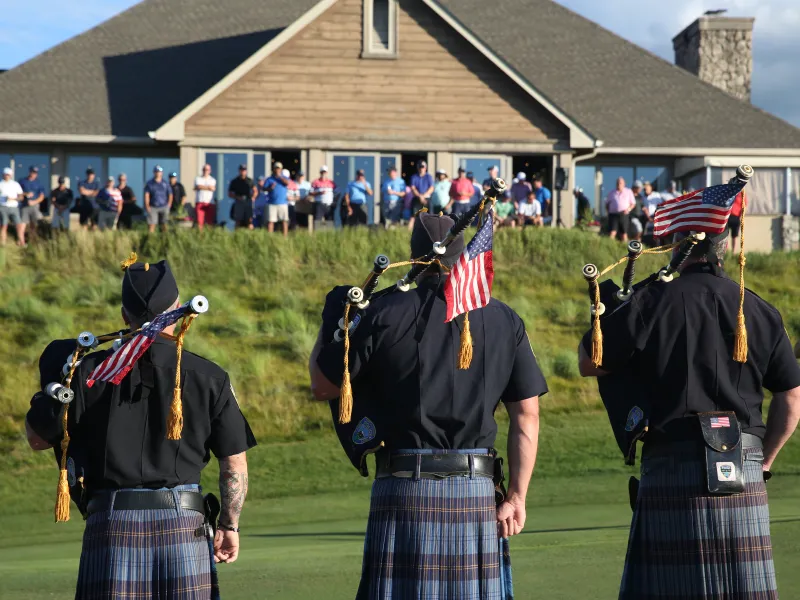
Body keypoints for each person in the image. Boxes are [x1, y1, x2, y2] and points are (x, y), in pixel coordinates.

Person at [310, 213, 546, 599]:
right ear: (462, 251)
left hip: (405, 490)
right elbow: (527, 416)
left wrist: (334, 323)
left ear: (413, 255)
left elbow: (324, 387)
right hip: (477, 493)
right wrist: (517, 497)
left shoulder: (380, 313)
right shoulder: (504, 319)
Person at [578, 229, 800, 600]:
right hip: (745, 468)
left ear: (676, 247)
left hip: (671, 463)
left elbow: (590, 362)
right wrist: (764, 463)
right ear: (725, 250)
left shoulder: (651, 300)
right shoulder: (760, 309)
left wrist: (620, 309)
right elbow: (791, 399)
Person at [25, 258, 258, 598]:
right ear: (179, 309)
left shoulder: (86, 372)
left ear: (124, 315)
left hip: (111, 524)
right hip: (185, 527)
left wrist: (51, 383)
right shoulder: (210, 376)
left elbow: (37, 439)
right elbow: (234, 463)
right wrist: (229, 524)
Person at [19, 165, 45, 244]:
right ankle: (21, 242)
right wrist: (25, 194)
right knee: (22, 224)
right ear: (29, 172)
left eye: (35, 173)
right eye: (33, 172)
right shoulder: (22, 181)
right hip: (24, 206)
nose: (34, 174)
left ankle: (32, 241)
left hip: (34, 206)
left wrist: (34, 202)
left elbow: (42, 196)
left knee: (33, 224)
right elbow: (18, 194)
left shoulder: (39, 183)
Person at [144, 166, 173, 233]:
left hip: (164, 206)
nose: (158, 173)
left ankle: (164, 239)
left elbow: (170, 194)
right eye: (156, 172)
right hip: (153, 206)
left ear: (162, 173)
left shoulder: (165, 183)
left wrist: (169, 205)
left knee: (164, 225)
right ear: (154, 173)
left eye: (159, 172)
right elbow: (147, 195)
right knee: (152, 225)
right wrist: (147, 206)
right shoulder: (150, 184)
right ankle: (150, 239)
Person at [264, 162, 290, 236]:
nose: (277, 170)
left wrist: (280, 177)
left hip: (283, 203)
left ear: (281, 169)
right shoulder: (269, 179)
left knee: (284, 221)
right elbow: (264, 188)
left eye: (279, 168)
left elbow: (287, 183)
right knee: (271, 221)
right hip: (272, 203)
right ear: (274, 169)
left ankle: (285, 237)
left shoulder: (284, 178)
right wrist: (270, 188)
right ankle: (270, 237)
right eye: (276, 168)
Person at [0, 167, 24, 246]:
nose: (7, 176)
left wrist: (13, 198)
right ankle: (3, 244)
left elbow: (21, 197)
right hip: (3, 208)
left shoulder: (15, 184)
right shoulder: (1, 184)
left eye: (8, 174)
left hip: (14, 208)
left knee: (19, 225)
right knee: (3, 226)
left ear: (11, 175)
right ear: (3, 175)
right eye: (5, 174)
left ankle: (21, 242)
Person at [605, 177, 635, 241]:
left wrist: (628, 210)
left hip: (624, 214)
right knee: (612, 232)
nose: (619, 184)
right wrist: (608, 213)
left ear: (624, 184)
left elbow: (633, 203)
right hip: (613, 215)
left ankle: (625, 248)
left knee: (624, 233)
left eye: (620, 183)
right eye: (617, 183)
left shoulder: (628, 191)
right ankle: (609, 247)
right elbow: (607, 204)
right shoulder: (611, 193)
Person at [228, 164, 256, 229]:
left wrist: (253, 197)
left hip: (248, 202)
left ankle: (251, 236)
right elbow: (229, 193)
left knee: (249, 221)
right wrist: (237, 197)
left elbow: (255, 190)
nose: (243, 171)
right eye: (241, 170)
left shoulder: (249, 180)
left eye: (244, 170)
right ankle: (237, 236)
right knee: (238, 221)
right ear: (239, 171)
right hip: (239, 202)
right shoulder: (235, 181)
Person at [409, 161, 434, 230]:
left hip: (427, 198)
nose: (421, 169)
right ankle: (408, 233)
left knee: (430, 217)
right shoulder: (414, 177)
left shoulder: (429, 177)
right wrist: (420, 196)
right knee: (413, 216)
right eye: (420, 167)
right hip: (417, 198)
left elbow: (431, 188)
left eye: (423, 167)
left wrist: (423, 196)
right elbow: (413, 188)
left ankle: (431, 231)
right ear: (418, 168)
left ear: (425, 168)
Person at [193, 164, 218, 230]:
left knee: (209, 222)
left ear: (210, 171)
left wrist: (202, 187)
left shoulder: (212, 180)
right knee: (199, 221)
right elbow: (198, 186)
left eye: (207, 170)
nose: (205, 171)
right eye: (204, 169)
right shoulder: (198, 178)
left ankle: (208, 236)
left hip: (209, 203)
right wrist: (208, 187)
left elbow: (212, 188)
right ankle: (200, 237)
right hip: (200, 202)